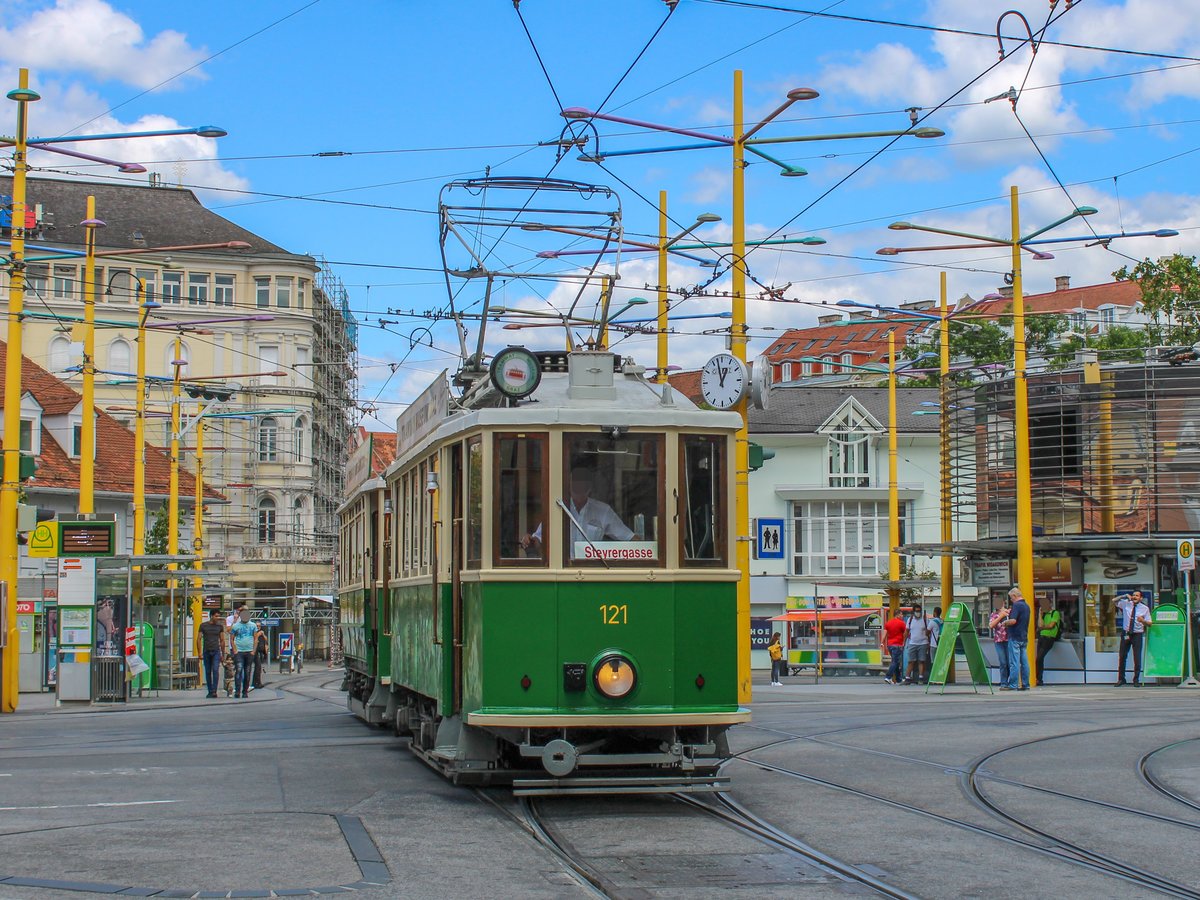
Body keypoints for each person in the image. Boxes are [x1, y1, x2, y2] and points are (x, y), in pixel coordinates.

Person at [564, 466, 635, 555]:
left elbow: (630, 538)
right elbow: (541, 538)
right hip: (564, 567)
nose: (579, 489)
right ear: (569, 486)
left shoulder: (603, 511)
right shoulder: (559, 508)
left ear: (590, 488)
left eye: (583, 486)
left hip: (594, 567)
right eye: (576, 486)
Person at [1115, 590, 1152, 687]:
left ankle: (1136, 679)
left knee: (1137, 657)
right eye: (1134, 595)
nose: (1135, 597)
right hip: (1126, 633)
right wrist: (1124, 595)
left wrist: (1143, 621)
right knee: (1122, 656)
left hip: (1137, 634)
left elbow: (1150, 623)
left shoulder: (1145, 608)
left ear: (1141, 598)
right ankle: (1121, 679)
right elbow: (1113, 600)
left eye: (1137, 596)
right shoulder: (1126, 604)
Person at [227, 607, 261, 699]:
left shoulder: (253, 625)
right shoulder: (236, 626)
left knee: (247, 671)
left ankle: (245, 691)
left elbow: (255, 638)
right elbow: (231, 638)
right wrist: (235, 650)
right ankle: (237, 691)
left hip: (249, 651)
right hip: (239, 651)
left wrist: (253, 651)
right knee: (239, 669)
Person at [1003, 587, 1031, 691]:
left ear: (1015, 596)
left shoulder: (1016, 605)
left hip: (1014, 636)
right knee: (1024, 662)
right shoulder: (1027, 606)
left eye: (1011, 597)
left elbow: (1013, 621)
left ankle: (1013, 685)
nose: (1011, 600)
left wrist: (1005, 623)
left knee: (1014, 662)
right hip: (1024, 636)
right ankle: (1025, 684)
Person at [198, 610, 226, 699]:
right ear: (211, 616)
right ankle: (210, 691)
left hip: (216, 651)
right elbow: (198, 639)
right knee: (208, 671)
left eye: (218, 616)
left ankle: (214, 691)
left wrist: (223, 654)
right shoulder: (203, 626)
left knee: (215, 670)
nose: (217, 618)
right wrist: (199, 652)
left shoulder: (220, 627)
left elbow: (222, 640)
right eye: (216, 616)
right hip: (206, 651)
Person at [1035, 597, 1063, 687]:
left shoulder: (1055, 613)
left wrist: (1042, 627)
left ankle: (1039, 679)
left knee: (1039, 658)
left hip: (1049, 638)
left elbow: (1051, 626)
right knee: (1039, 659)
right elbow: (1039, 625)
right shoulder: (1044, 614)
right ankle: (1038, 679)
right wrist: (1040, 614)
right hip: (1041, 637)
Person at [902, 605, 932, 685]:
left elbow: (929, 631)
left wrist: (928, 640)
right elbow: (907, 631)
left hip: (923, 643)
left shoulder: (925, 620)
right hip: (912, 643)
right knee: (911, 661)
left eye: (919, 611)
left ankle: (921, 677)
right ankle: (907, 678)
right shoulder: (910, 620)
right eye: (916, 611)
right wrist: (903, 642)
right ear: (913, 612)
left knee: (921, 661)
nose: (918, 613)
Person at [989, 601, 1011, 690]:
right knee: (1003, 662)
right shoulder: (994, 614)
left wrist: (1005, 614)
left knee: (1010, 662)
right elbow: (991, 625)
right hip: (999, 641)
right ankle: (1003, 682)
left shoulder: (1009, 613)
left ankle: (1011, 681)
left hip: (1009, 640)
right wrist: (1000, 616)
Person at [883, 610, 906, 684]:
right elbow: (905, 633)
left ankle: (898, 679)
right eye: (901, 614)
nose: (902, 616)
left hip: (890, 645)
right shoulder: (902, 623)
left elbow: (885, 633)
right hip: (898, 645)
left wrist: (881, 642)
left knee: (895, 662)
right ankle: (888, 677)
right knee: (895, 662)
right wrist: (904, 642)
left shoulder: (888, 623)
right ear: (898, 614)